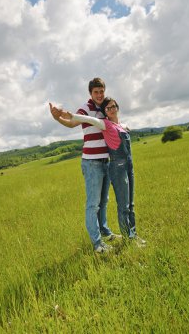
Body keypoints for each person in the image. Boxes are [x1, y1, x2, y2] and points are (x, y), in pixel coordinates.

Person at [49, 78, 121, 254]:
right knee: (93, 204)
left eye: (101, 91)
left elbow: (115, 126)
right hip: (92, 163)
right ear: (90, 93)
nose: (99, 95)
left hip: (106, 161)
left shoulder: (105, 107)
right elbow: (72, 122)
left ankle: (105, 232)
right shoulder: (86, 108)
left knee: (104, 202)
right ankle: (97, 245)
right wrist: (58, 118)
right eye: (96, 92)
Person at [62, 97, 146, 246]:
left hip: (129, 166)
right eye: (108, 108)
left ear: (117, 107)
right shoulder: (105, 124)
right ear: (105, 112)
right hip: (118, 168)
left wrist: (126, 126)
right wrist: (73, 116)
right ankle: (128, 238)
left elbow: (125, 126)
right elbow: (89, 119)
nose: (112, 109)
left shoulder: (120, 125)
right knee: (124, 206)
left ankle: (133, 235)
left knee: (131, 204)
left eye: (113, 106)